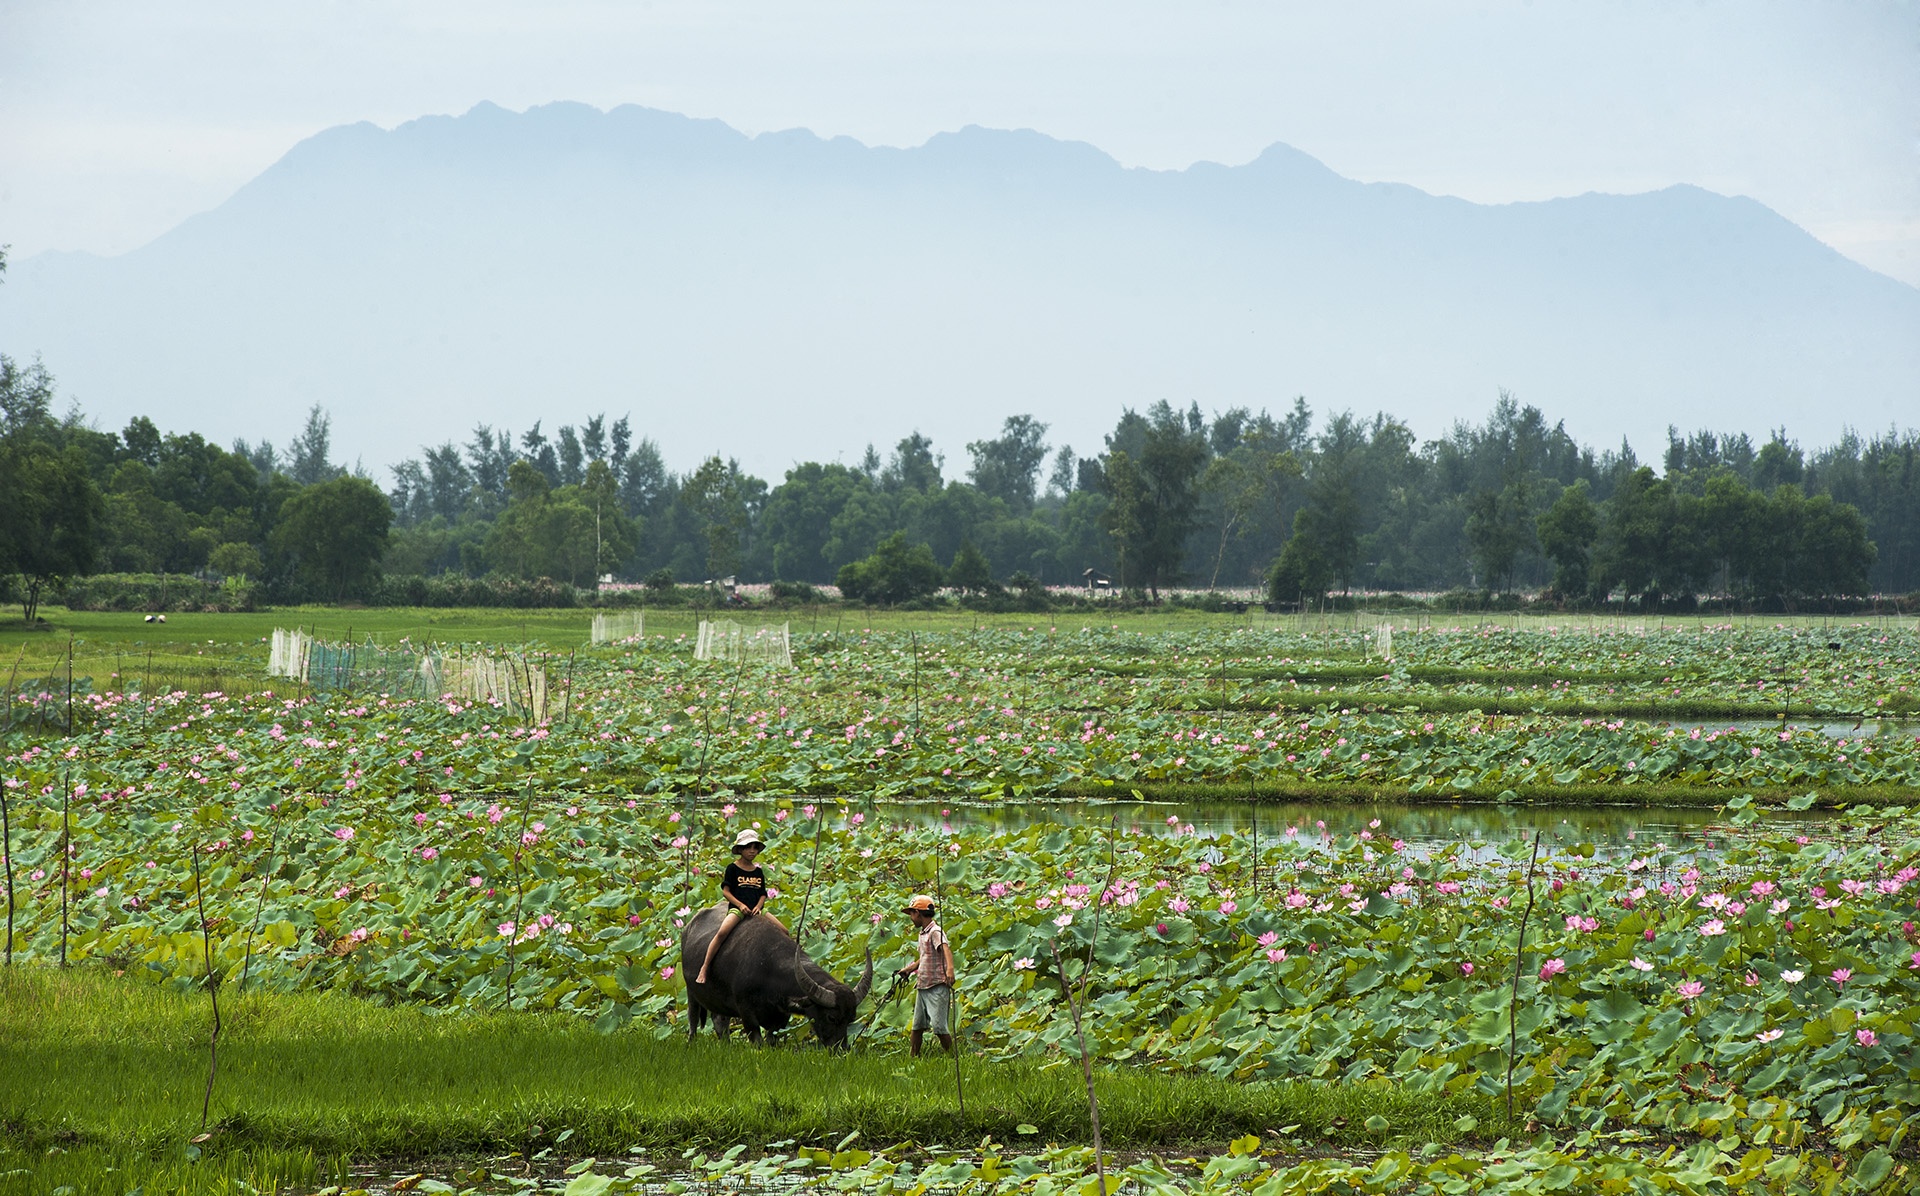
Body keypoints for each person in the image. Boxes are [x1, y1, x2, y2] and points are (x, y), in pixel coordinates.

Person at [693, 829, 788, 985]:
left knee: (784, 931)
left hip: (757, 910)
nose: (752, 851)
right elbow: (726, 892)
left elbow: (763, 893)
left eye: (755, 847)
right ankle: (704, 967)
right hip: (738, 908)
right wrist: (740, 905)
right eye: (748, 847)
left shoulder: (758, 871)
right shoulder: (733, 868)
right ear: (740, 849)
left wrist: (758, 907)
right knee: (722, 933)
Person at [896, 894, 955, 1056]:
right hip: (923, 985)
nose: (911, 918)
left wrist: (950, 970)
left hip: (936, 985)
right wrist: (909, 969)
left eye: (911, 914)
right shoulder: (922, 934)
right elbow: (924, 958)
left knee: (939, 1027)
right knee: (917, 1026)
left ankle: (952, 1056)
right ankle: (913, 1056)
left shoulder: (935, 932)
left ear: (918, 913)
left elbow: (945, 949)